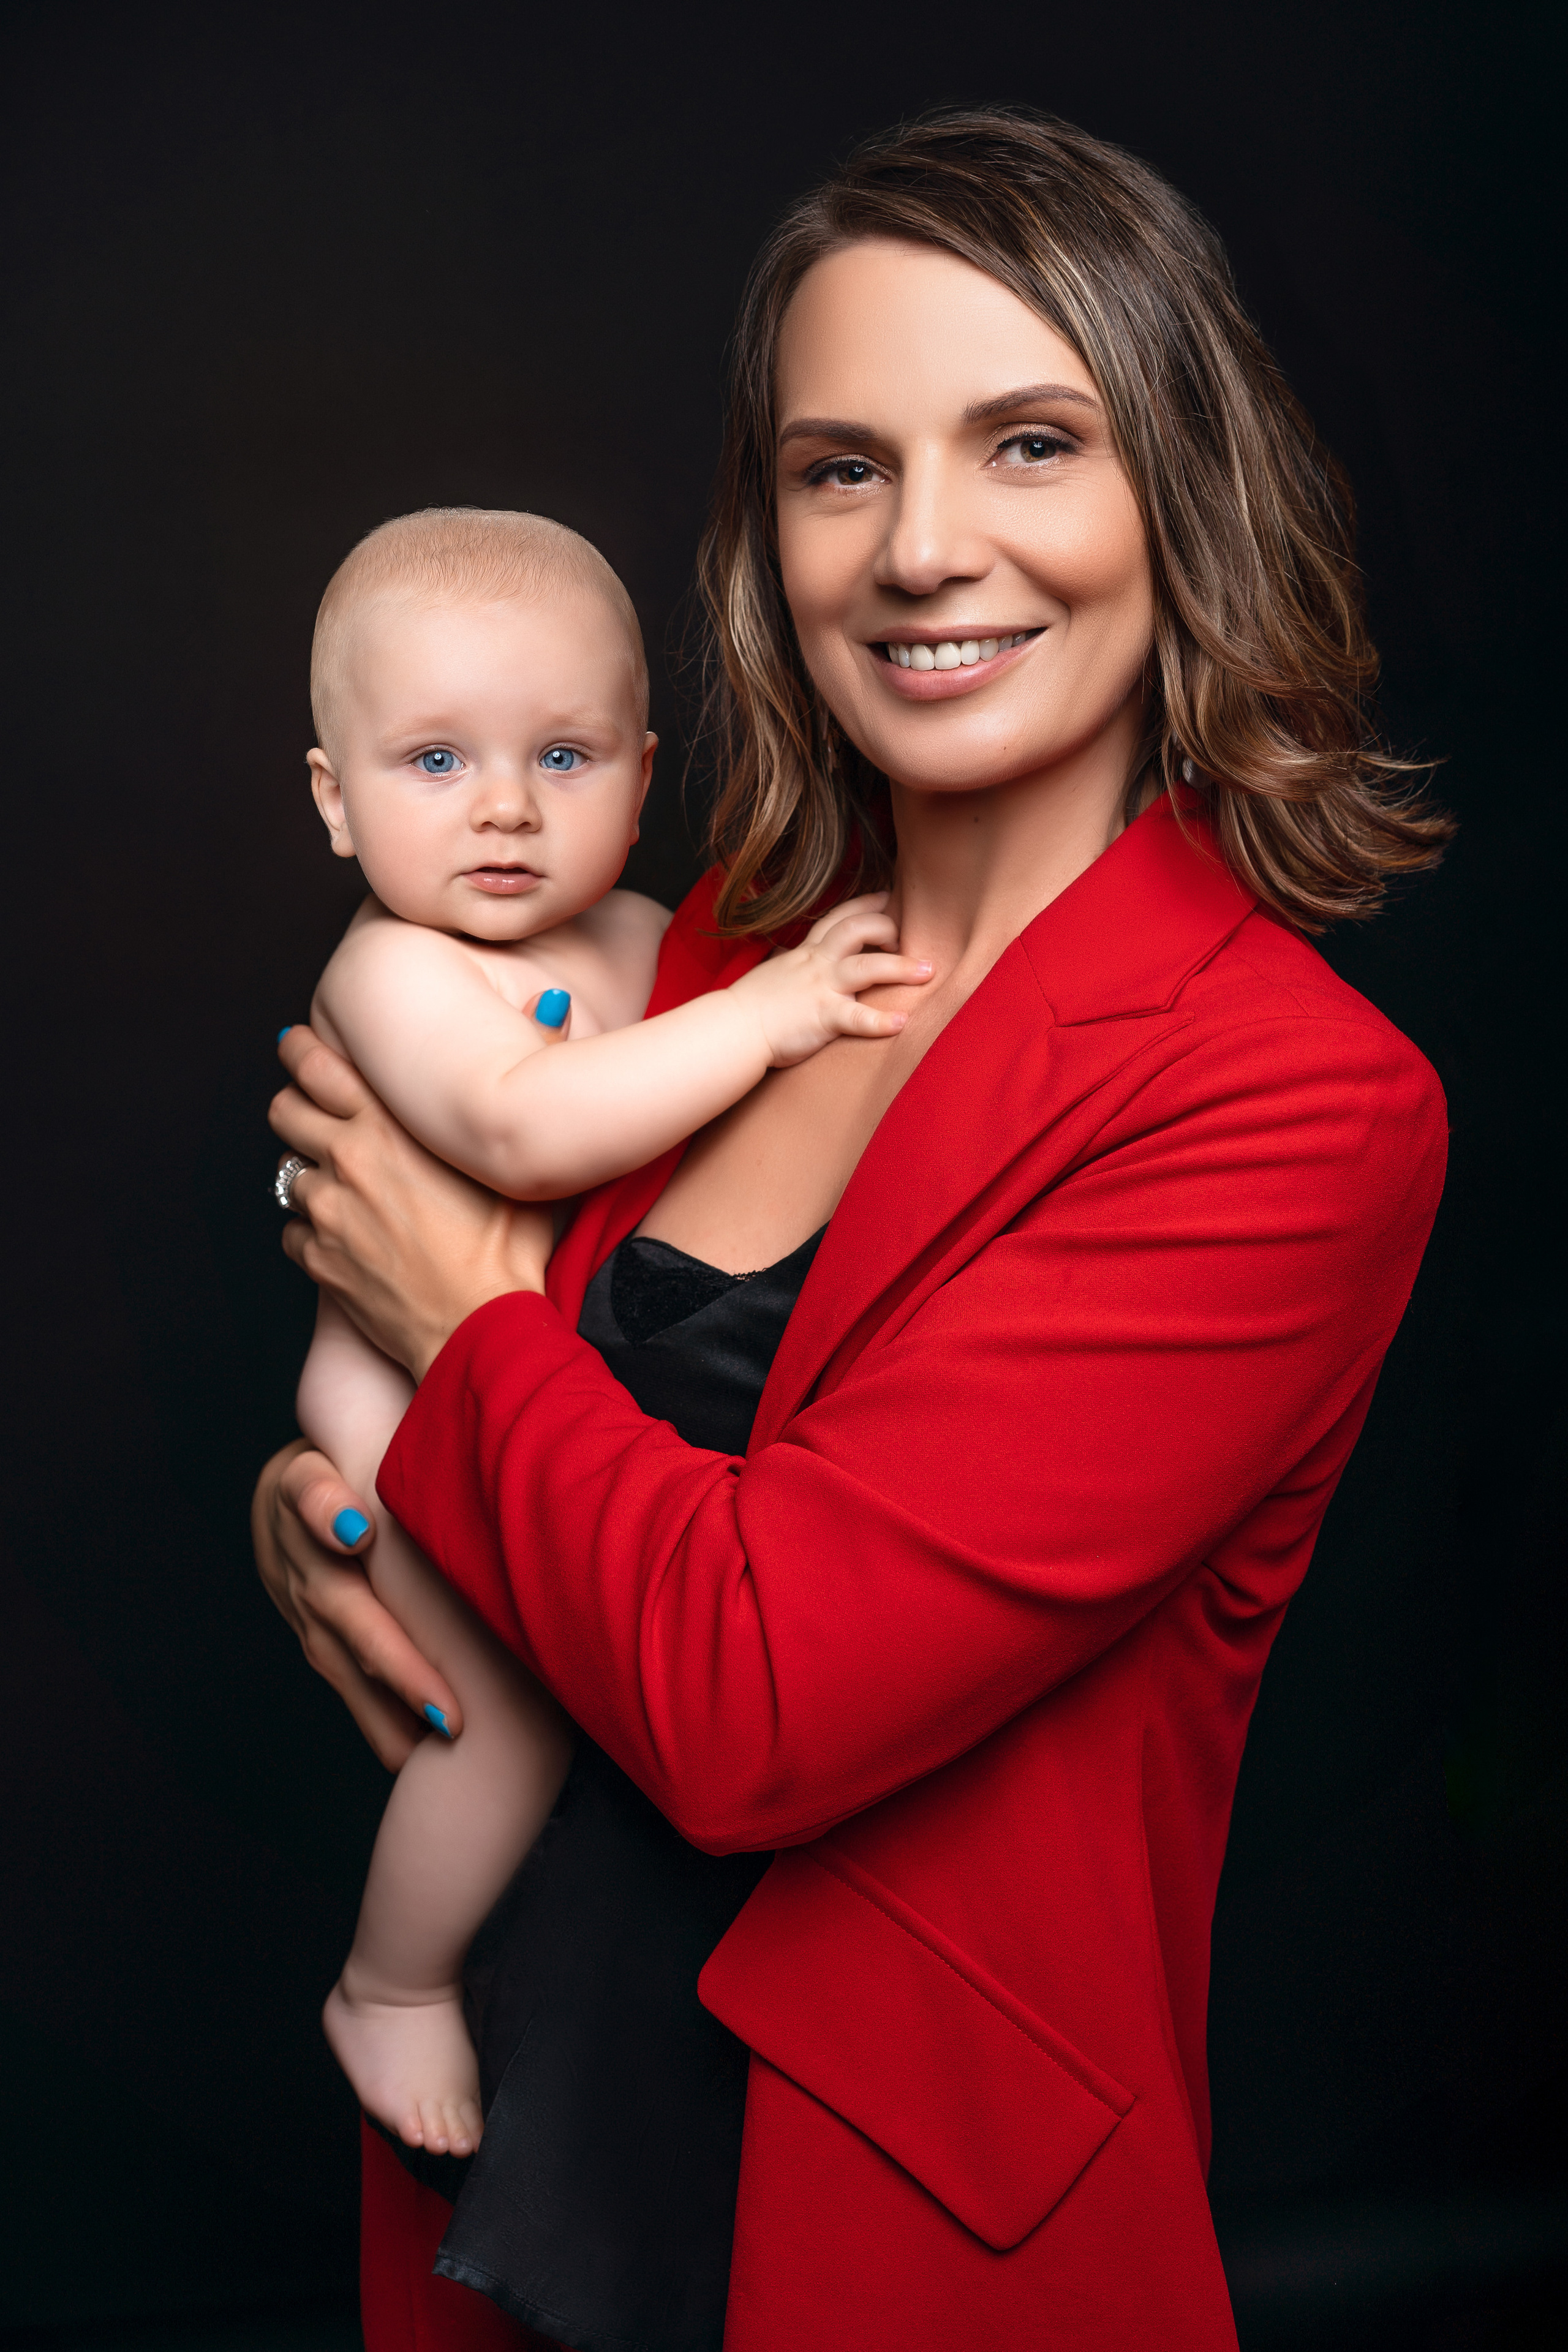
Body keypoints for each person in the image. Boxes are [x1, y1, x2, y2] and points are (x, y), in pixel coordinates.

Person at [254, 108, 1453, 2352]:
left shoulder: (1291, 1103)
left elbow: (753, 1700)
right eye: (837, 467)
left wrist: (451, 1317)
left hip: (880, 2207)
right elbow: (483, 1452)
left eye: (1025, 443)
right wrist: (325, 1509)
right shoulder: (708, 955)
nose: (920, 548)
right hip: (507, 2126)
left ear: (1176, 495)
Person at [287, 506, 927, 2162]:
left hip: (535, 1393)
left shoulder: (654, 941)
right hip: (395, 1405)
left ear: (644, 776)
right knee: (505, 1722)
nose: (506, 808)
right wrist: (772, 1016)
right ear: (334, 799)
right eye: (434, 761)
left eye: (563, 758)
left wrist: (763, 1016)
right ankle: (392, 1981)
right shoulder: (398, 969)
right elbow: (521, 1130)